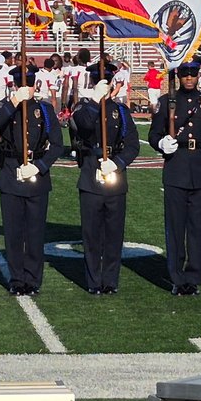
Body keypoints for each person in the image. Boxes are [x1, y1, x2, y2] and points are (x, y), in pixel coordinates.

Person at [148, 61, 201, 296]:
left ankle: (193, 277)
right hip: (176, 169)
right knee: (175, 227)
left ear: (198, 76)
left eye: (193, 74)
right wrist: (162, 143)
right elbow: (154, 134)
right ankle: (177, 278)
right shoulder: (165, 102)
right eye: (185, 75)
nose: (189, 79)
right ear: (179, 77)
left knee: (197, 229)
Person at [0, 63, 64, 295]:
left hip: (36, 175)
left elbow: (58, 144)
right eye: (22, 84)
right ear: (14, 85)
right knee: (13, 233)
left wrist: (39, 167)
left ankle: (33, 280)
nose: (27, 88)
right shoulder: (6, 106)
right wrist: (14, 102)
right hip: (12, 173)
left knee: (34, 232)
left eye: (30, 84)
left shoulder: (44, 109)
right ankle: (16, 279)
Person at [70, 62, 140, 295]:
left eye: (107, 82)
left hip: (115, 176)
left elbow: (132, 145)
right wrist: (94, 102)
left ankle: (110, 280)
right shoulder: (83, 108)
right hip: (91, 174)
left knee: (113, 233)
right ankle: (93, 280)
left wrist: (118, 163)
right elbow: (83, 126)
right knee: (91, 234)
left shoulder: (120, 110)